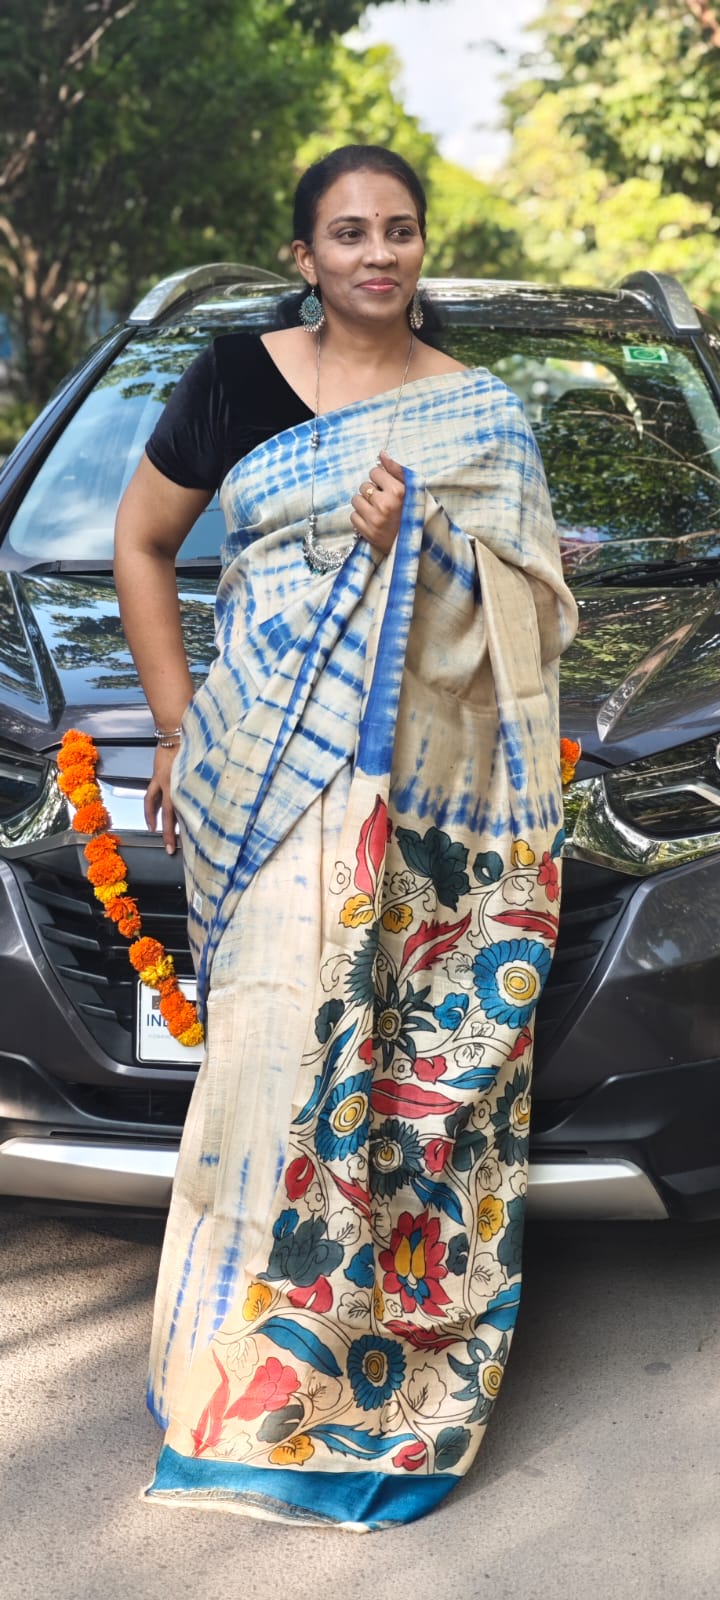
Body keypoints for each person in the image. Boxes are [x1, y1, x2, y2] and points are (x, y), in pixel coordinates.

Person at [114, 144, 577, 1531]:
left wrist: (423, 536)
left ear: (419, 251)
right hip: (267, 783)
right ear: (304, 255)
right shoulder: (232, 382)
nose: (378, 253)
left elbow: (539, 609)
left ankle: (387, 1391)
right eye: (349, 233)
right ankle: (237, 1399)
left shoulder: (480, 420)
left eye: (400, 232)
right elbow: (144, 544)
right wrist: (182, 722)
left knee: (405, 1109)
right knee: (268, 1080)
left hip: (433, 820)